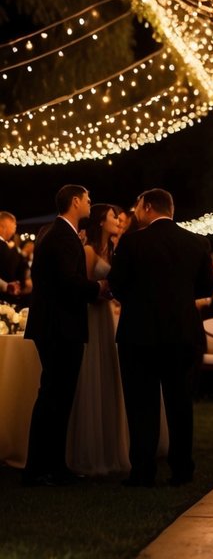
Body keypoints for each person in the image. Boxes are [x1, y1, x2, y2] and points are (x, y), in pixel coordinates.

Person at [109, 188, 213, 488]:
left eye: (138, 205)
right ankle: (182, 469)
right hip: (182, 332)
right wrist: (179, 297)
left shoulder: (132, 241)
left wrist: (141, 299)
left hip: (139, 333)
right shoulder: (196, 241)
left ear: (149, 206)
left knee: (141, 404)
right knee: (181, 403)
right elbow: (207, 287)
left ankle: (143, 471)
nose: (136, 211)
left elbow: (117, 284)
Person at [23, 184, 104, 486]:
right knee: (55, 397)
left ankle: (51, 465)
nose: (90, 203)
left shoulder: (52, 232)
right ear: (75, 201)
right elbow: (69, 282)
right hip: (61, 326)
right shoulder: (62, 236)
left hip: (52, 325)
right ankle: (41, 469)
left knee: (54, 397)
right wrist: (98, 288)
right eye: (87, 199)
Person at [67, 203, 131, 475]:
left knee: (107, 372)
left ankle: (109, 443)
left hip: (106, 315)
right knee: (92, 370)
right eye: (113, 216)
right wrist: (101, 291)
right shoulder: (89, 250)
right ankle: (89, 451)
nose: (118, 219)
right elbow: (85, 285)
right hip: (93, 315)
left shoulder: (113, 249)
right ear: (100, 222)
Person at [0, 211, 26, 300]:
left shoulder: (8, 246)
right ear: (2, 226)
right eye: (13, 225)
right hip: (5, 299)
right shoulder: (6, 248)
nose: (14, 229)